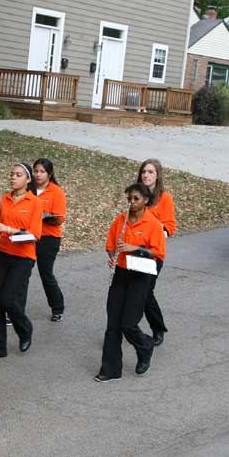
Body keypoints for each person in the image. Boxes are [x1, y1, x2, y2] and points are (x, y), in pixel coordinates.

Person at [95, 183, 166, 382]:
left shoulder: (152, 224)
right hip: (120, 273)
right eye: (129, 199)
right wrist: (112, 257)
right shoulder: (121, 220)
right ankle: (110, 369)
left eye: (136, 199)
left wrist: (135, 248)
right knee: (113, 324)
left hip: (141, 275)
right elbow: (110, 244)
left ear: (145, 200)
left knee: (129, 323)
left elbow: (158, 253)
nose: (132, 202)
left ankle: (145, 346)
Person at [0, 163, 43, 360]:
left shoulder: (35, 203)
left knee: (7, 298)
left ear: (27, 180)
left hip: (24, 256)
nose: (13, 178)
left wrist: (9, 230)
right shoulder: (3, 200)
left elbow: (35, 234)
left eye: (18, 175)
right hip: (3, 253)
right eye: (12, 174)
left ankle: (25, 328)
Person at [137, 159, 176, 347]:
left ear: (157, 175)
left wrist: (155, 227)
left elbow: (170, 226)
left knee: (145, 291)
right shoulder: (137, 196)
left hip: (153, 253)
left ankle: (157, 328)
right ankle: (130, 326)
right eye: (144, 171)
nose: (146, 175)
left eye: (150, 172)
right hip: (134, 251)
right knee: (134, 290)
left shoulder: (164, 198)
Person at [33, 158, 67, 322]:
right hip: (28, 236)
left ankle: (57, 307)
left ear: (49, 174)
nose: (38, 175)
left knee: (45, 273)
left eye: (42, 172)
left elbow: (59, 218)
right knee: (21, 274)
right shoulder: (28, 189)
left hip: (48, 238)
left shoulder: (56, 192)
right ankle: (12, 310)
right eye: (36, 171)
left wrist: (43, 216)